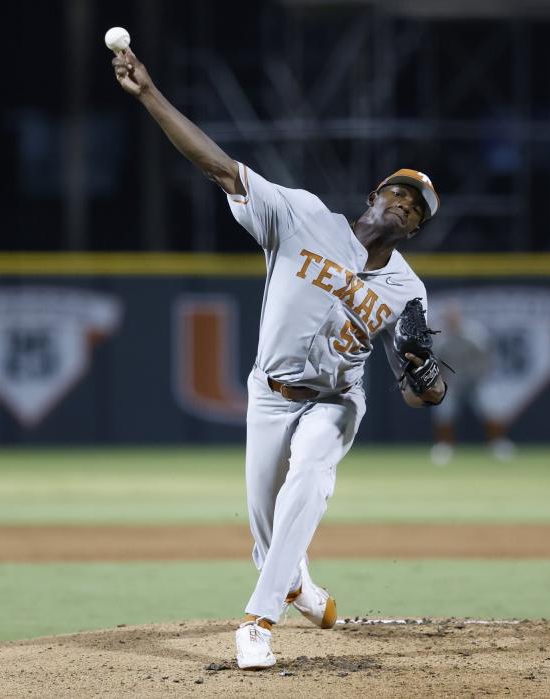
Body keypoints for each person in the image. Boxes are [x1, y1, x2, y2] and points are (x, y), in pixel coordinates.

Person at [112, 46, 446, 670]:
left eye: (417, 207)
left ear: (417, 228)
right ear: (376, 194)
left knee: (313, 472)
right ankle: (296, 587)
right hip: (269, 394)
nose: (405, 203)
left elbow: (421, 392)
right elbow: (219, 167)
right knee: (268, 541)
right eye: (400, 192)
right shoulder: (301, 216)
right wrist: (151, 94)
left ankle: (257, 622)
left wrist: (425, 381)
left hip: (338, 401)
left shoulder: (408, 290)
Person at [426, 302, 499, 465]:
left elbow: (487, 355)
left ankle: (497, 444)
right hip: (454, 380)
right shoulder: (441, 335)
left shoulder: (473, 332)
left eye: (454, 317)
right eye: (448, 317)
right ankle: (444, 447)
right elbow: (435, 361)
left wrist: (483, 375)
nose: (451, 320)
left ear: (459, 317)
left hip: (475, 379)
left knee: (490, 408)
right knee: (444, 411)